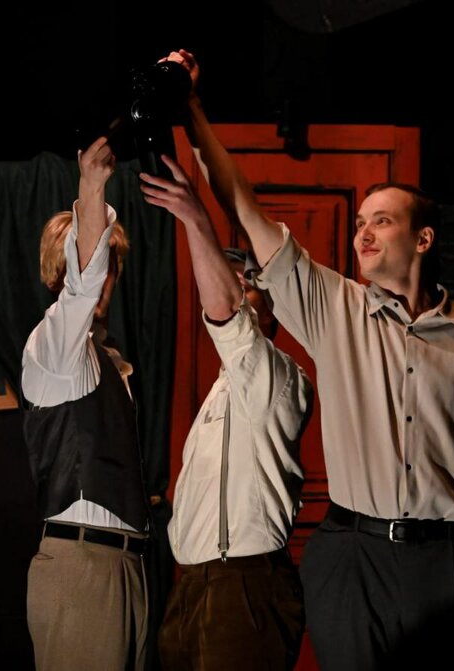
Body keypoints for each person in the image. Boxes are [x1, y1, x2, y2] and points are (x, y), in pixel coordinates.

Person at [165, 49, 454, 669]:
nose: (363, 233)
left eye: (381, 222)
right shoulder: (334, 309)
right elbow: (245, 208)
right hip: (353, 555)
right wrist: (193, 110)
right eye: (360, 221)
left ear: (422, 239)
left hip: (451, 557)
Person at [140, 154, 312, 670]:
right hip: (190, 585)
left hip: (243, 583)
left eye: (247, 282)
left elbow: (228, 317)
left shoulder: (279, 376)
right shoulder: (219, 391)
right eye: (228, 276)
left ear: (270, 305)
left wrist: (196, 219)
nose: (235, 286)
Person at [21, 136, 150, 670]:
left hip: (125, 567)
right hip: (82, 566)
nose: (103, 279)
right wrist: (92, 188)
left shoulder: (108, 360)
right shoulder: (54, 348)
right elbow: (81, 290)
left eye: (109, 267)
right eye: (98, 264)